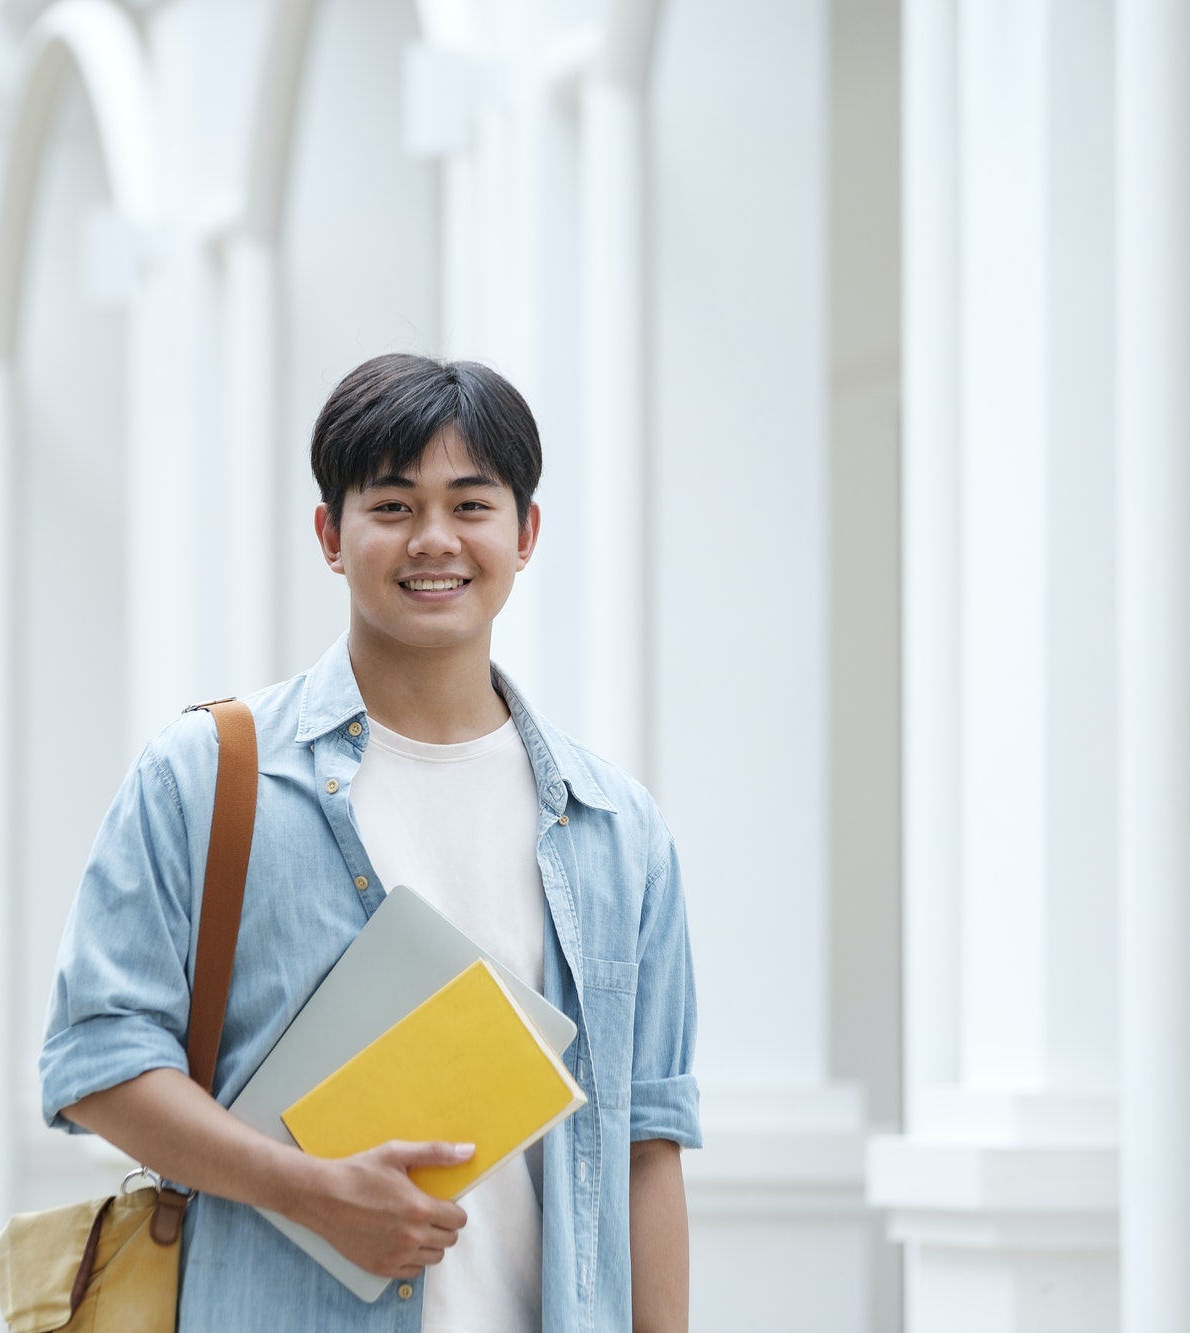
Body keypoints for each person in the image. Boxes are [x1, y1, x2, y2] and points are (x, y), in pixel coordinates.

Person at [39, 353, 700, 1331]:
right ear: (329, 535)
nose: (433, 539)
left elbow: (646, 1143)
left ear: (523, 533)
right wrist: (307, 1188)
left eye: (469, 505)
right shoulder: (208, 775)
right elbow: (94, 1061)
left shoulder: (615, 829)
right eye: (391, 506)